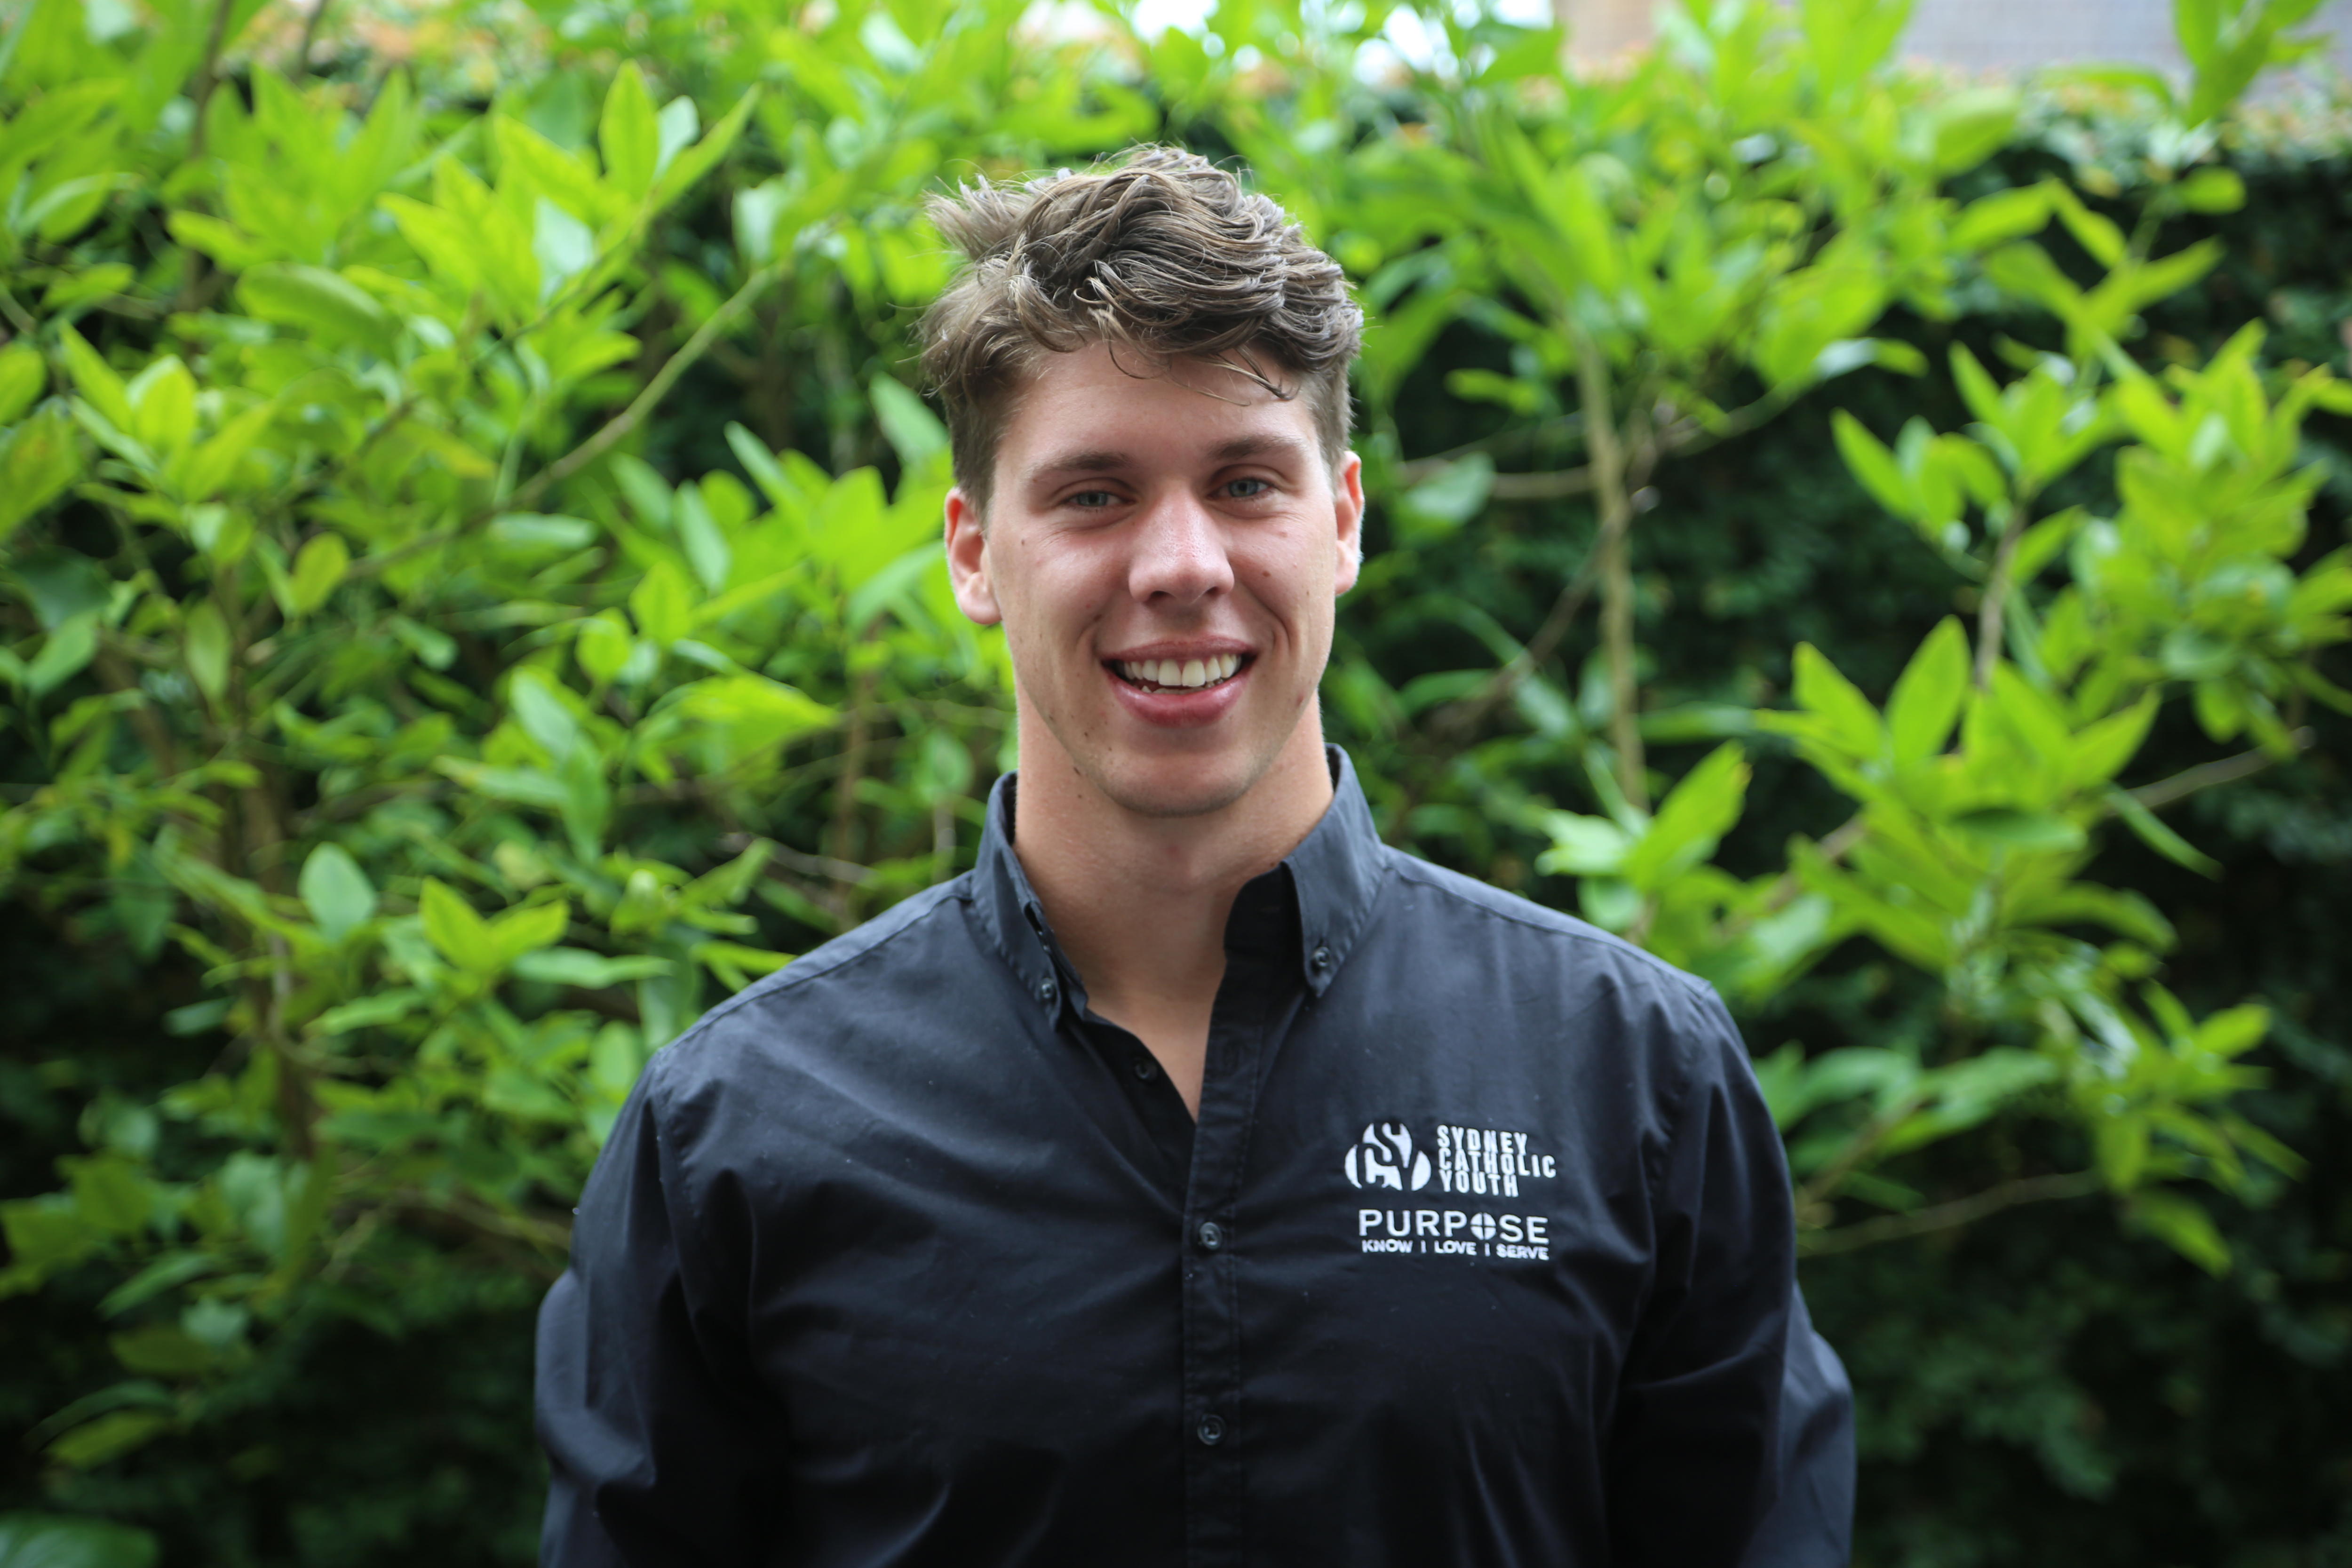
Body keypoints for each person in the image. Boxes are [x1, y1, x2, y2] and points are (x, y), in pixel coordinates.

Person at [535, 145, 1854, 1568]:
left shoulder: (1637, 1078)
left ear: (1342, 521)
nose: (1181, 564)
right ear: (975, 555)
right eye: (1094, 494)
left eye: (1244, 484)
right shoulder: (735, 1128)